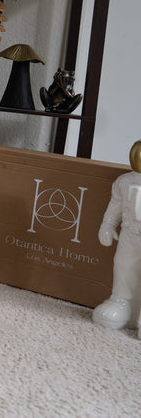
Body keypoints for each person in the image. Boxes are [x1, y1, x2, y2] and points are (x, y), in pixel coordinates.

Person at [93, 139, 141, 335]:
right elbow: (115, 207)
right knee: (123, 265)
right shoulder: (124, 181)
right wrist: (107, 226)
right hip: (129, 233)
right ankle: (121, 300)